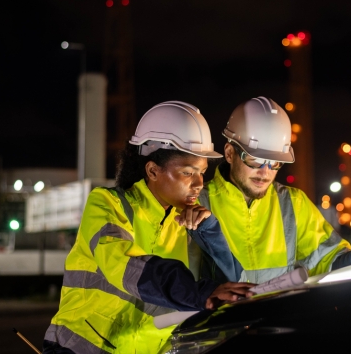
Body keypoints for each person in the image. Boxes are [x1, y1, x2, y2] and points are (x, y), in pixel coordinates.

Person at [42, 101, 255, 354]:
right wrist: (197, 291)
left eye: (202, 172)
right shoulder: (108, 204)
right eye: (188, 173)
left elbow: (225, 284)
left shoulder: (189, 224)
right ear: (153, 170)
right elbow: (124, 265)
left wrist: (209, 231)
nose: (199, 184)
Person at [188, 96, 351, 284]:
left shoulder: (293, 203)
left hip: (278, 325)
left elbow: (324, 256)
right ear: (229, 153)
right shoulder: (196, 203)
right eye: (255, 160)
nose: (265, 172)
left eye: (274, 163)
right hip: (220, 329)